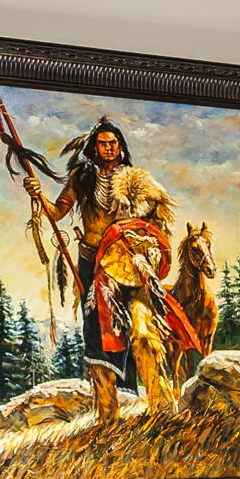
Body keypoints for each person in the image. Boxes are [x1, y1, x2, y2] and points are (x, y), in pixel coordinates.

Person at [22, 116, 201, 397]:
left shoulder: (132, 179)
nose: (108, 148)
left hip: (125, 262)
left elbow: (153, 221)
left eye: (113, 144)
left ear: (120, 147)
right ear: (94, 147)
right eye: (103, 143)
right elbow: (57, 212)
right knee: (95, 325)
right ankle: (106, 394)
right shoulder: (81, 177)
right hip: (91, 260)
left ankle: (130, 390)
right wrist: (38, 195)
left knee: (130, 323)